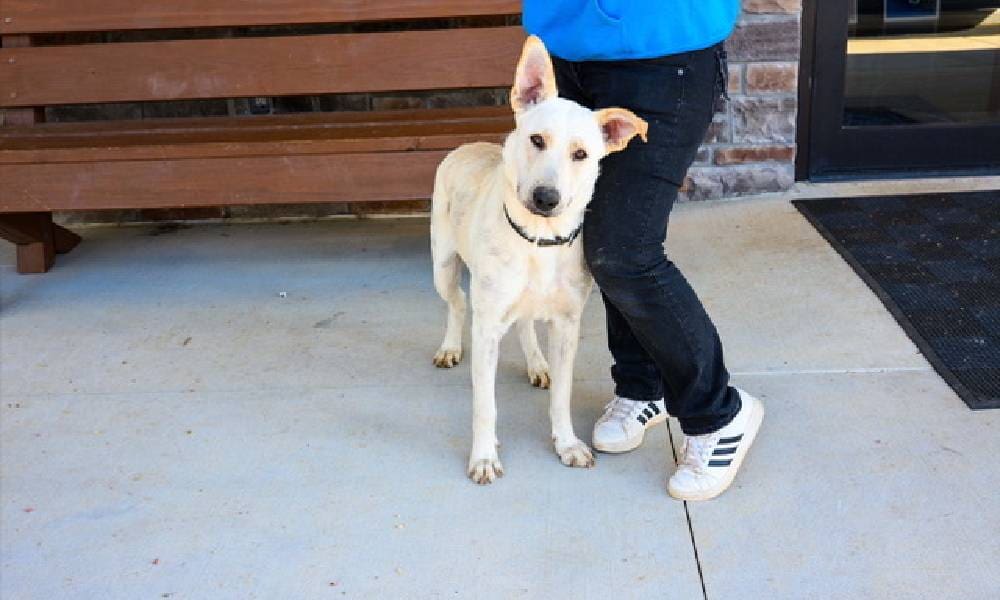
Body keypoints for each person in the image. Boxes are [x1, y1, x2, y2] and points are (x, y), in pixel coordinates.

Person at [523, 0, 764, 501]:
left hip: (663, 47)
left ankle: (719, 412)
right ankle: (640, 384)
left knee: (623, 249)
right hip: (563, 46)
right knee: (596, 235)